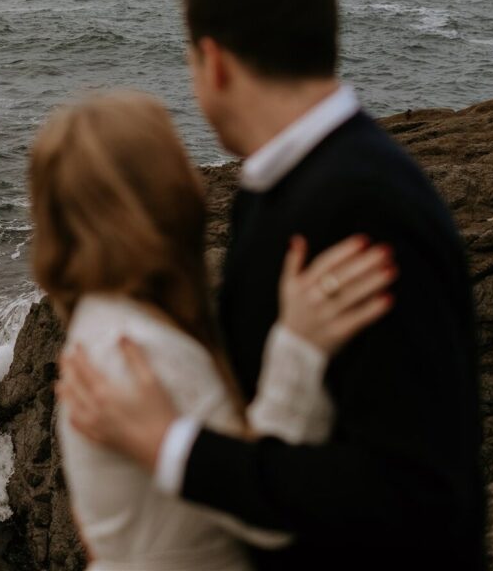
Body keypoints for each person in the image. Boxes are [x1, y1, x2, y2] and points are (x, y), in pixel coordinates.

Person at [59, 0, 488, 571]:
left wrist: (171, 446)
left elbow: (412, 490)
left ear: (216, 62)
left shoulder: (359, 206)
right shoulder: (282, 188)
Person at [32, 89, 396, 571]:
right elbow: (269, 512)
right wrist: (299, 345)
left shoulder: (106, 324)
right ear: (163, 196)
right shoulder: (140, 349)